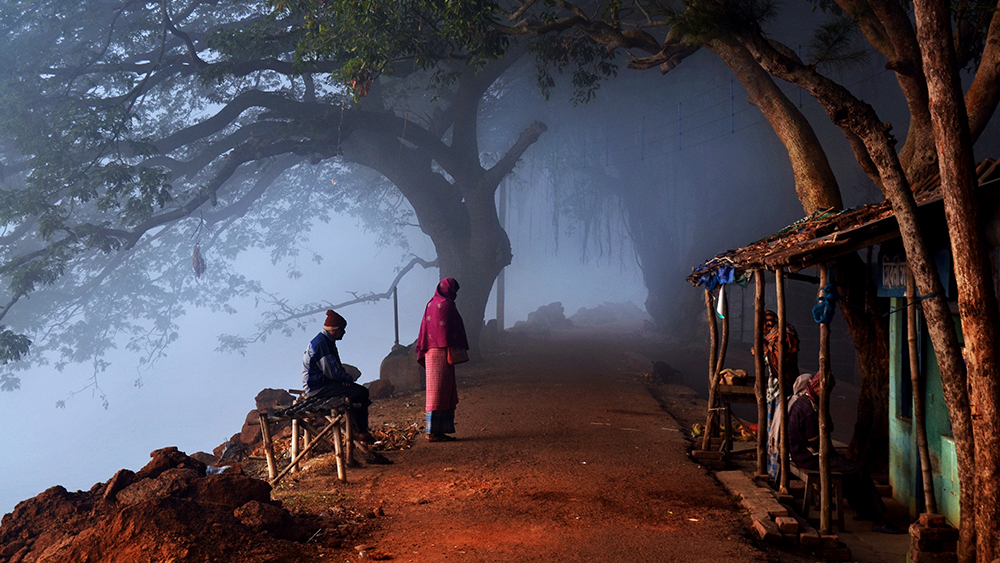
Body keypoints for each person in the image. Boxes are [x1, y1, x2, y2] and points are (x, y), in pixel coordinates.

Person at [787, 372, 900, 533]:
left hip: (804, 455)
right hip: (810, 458)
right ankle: (878, 519)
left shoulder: (806, 401)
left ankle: (861, 509)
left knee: (848, 471)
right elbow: (815, 441)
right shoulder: (809, 408)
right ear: (819, 386)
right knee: (859, 471)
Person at [302, 309, 390, 463]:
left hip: (322, 383)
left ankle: (358, 430)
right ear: (335, 330)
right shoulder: (323, 344)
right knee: (360, 392)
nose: (344, 333)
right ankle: (360, 431)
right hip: (317, 387)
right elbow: (332, 371)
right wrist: (347, 379)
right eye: (342, 330)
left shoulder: (324, 340)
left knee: (357, 393)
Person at [415, 277, 469, 442]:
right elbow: (454, 327)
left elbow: (426, 328)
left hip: (430, 352)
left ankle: (435, 430)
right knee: (442, 392)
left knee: (434, 392)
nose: (455, 295)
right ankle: (435, 432)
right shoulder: (448, 305)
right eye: (455, 291)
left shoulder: (430, 304)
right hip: (443, 352)